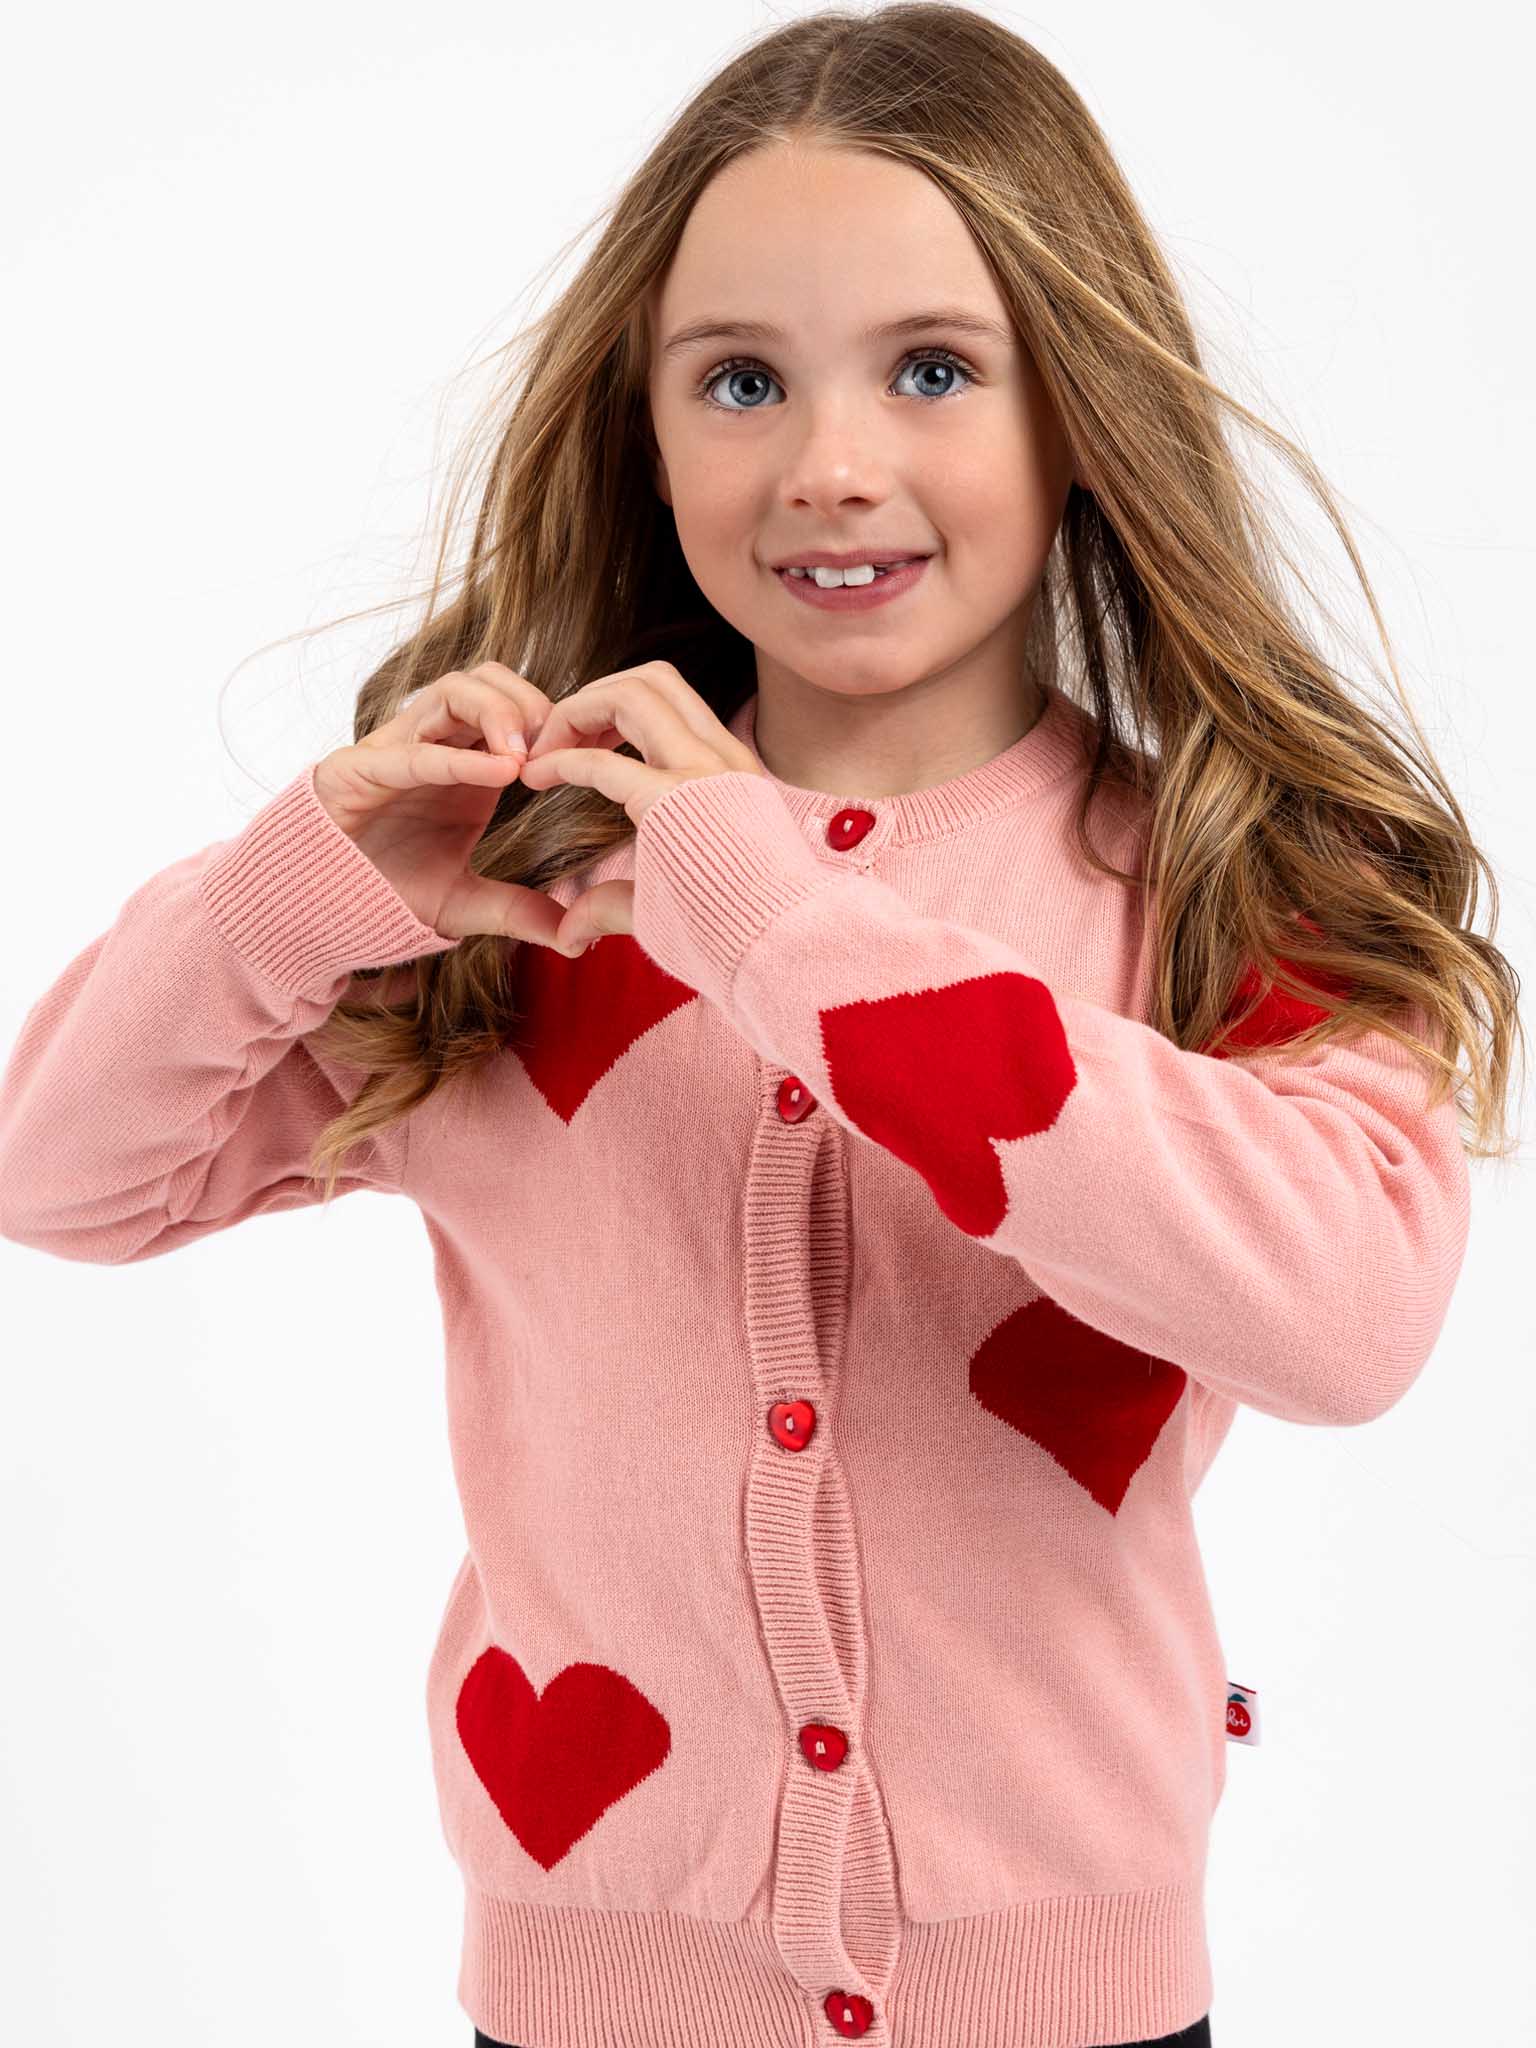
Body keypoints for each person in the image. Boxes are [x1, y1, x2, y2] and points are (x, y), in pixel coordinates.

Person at [0, 6, 1518, 2045]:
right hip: (581, 2006)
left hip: (1074, 2015)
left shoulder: (1229, 883)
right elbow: (63, 1173)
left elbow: (1341, 1313)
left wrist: (774, 911)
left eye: (931, 368)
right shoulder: (525, 883)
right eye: (737, 379)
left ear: (1080, 406)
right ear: (643, 424)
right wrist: (313, 874)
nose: (828, 464)